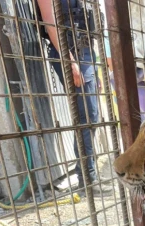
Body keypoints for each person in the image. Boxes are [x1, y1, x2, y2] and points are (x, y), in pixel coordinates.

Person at [35, 0, 98, 191]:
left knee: (91, 115)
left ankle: (87, 174)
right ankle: (87, 178)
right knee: (86, 115)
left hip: (86, 50)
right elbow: (50, 23)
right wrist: (69, 62)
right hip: (70, 52)